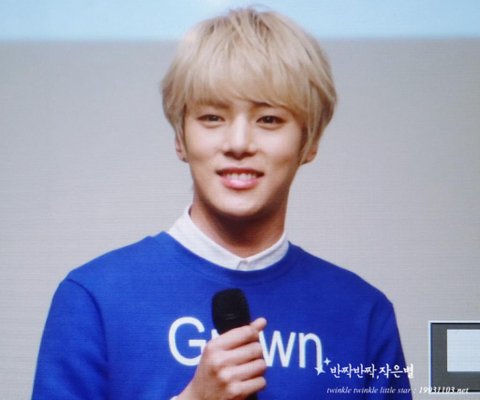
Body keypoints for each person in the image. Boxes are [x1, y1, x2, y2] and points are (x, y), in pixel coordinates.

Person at [32, 7, 412, 399]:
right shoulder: (94, 297)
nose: (239, 143)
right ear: (180, 138)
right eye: (213, 117)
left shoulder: (363, 314)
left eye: (269, 119)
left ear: (309, 142)